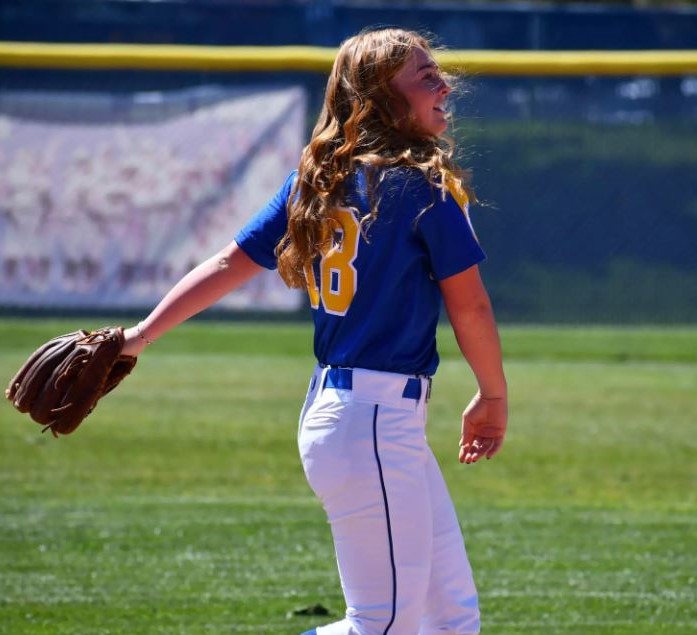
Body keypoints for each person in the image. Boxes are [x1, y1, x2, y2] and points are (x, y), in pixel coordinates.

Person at [121, 27, 508, 635]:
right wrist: (493, 394)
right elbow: (472, 308)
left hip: (349, 415)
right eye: (425, 76)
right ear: (382, 96)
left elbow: (227, 265)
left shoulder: (318, 179)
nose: (444, 85)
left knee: (448, 618)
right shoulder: (423, 187)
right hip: (371, 421)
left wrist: (139, 336)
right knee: (383, 626)